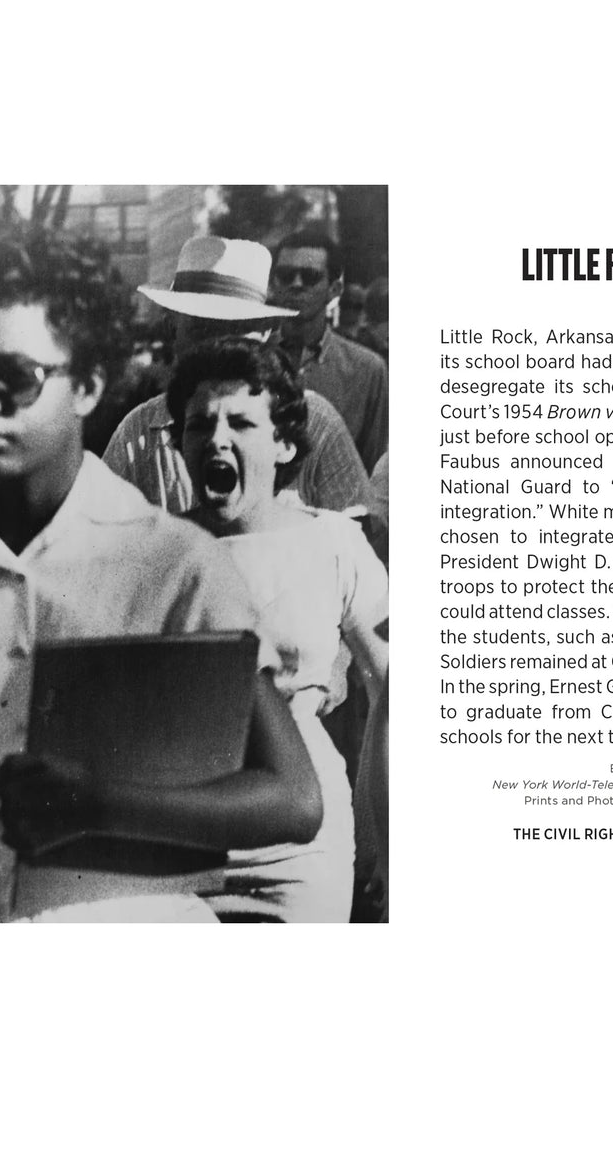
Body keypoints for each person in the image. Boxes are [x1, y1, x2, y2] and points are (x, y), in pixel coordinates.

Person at [0, 228, 321, 922]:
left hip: (123, 911)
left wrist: (101, 803)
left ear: (89, 383)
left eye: (13, 377)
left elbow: (293, 798)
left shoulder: (173, 562)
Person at [167, 336, 389, 922]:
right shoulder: (146, 549)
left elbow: (389, 686)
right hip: (173, 844)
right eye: (198, 425)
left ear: (285, 442)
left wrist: (389, 840)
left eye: (240, 422)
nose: (216, 438)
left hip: (300, 847)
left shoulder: (332, 542)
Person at [104, 235, 370, 516]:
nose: (219, 350)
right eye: (202, 330)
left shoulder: (314, 422)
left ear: (266, 333)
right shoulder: (139, 433)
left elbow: (358, 528)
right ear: (172, 329)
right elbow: (99, 541)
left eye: (236, 332)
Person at [268, 227, 388, 472]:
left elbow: (372, 467)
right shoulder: (251, 357)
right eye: (286, 275)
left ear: (334, 290)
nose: (297, 284)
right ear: (272, 284)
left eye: (310, 276)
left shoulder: (367, 370)